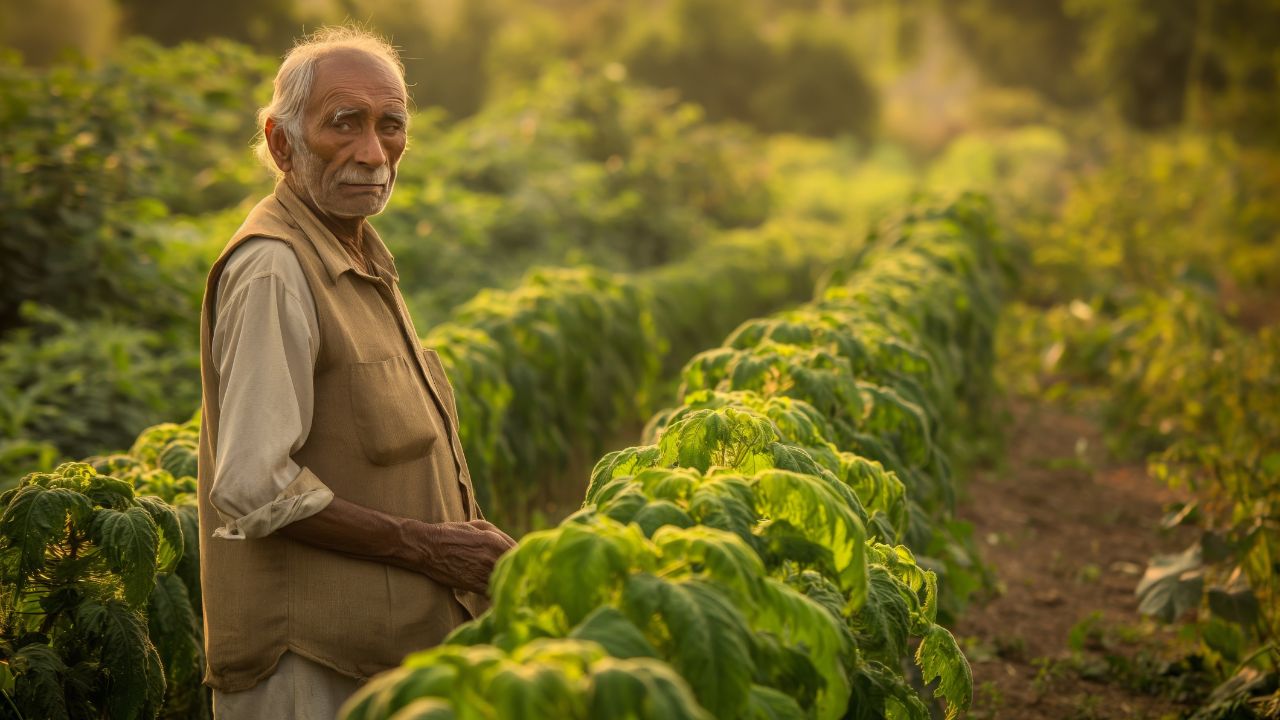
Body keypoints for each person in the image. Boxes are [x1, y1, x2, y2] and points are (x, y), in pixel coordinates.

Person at [195, 27, 516, 719]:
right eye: (345, 124)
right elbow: (253, 485)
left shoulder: (358, 252)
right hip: (310, 673)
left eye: (390, 126)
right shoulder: (275, 267)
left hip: (379, 662)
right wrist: (428, 547)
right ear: (282, 143)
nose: (373, 154)